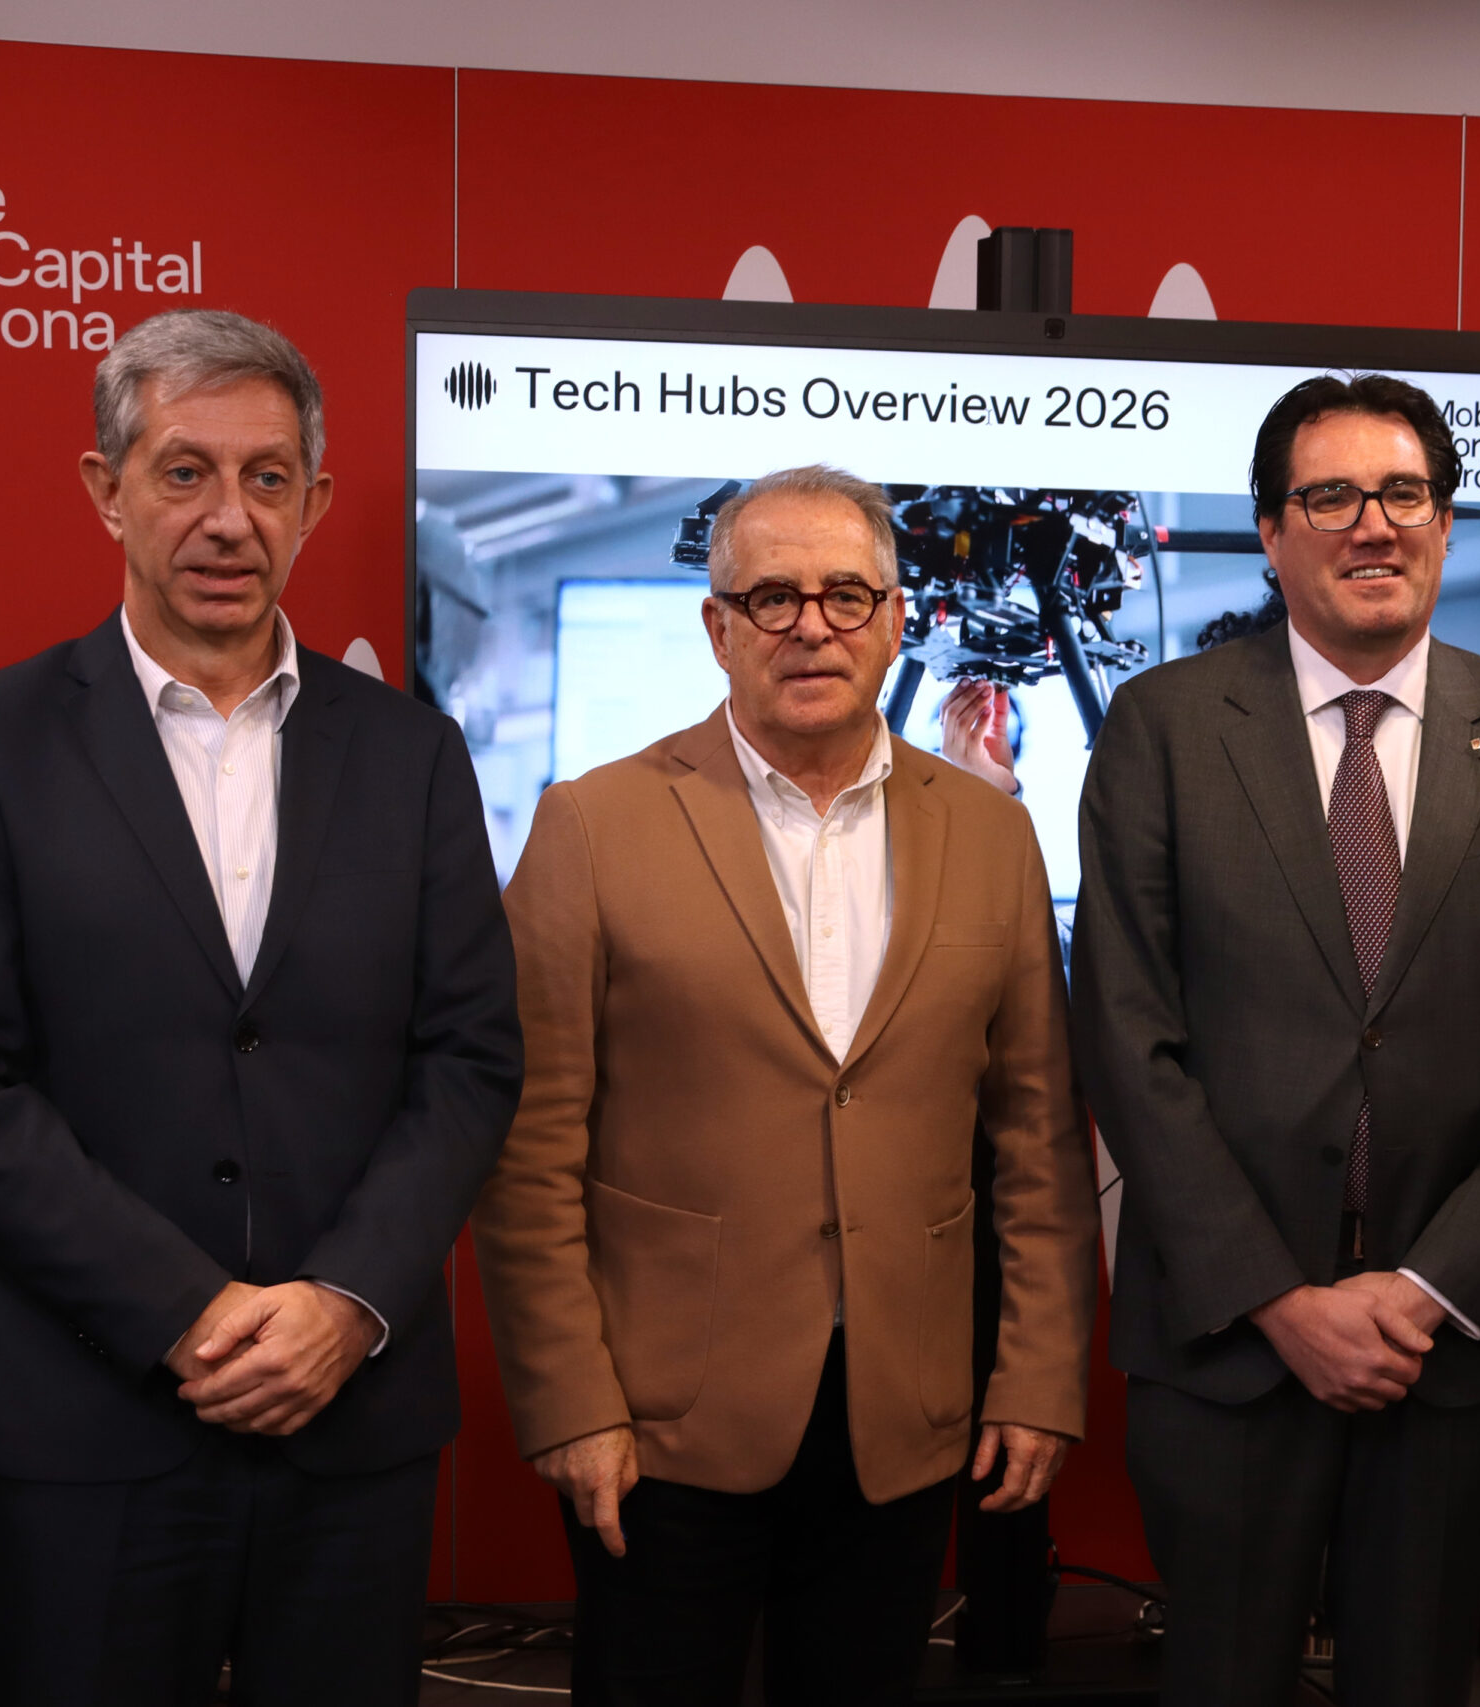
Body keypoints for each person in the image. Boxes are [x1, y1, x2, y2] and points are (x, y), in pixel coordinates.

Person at [0, 308, 523, 1705]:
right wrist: (184, 1312)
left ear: (315, 501)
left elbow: (470, 1059)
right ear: (105, 489)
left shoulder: (413, 754)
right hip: (87, 1422)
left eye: (267, 476)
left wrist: (346, 1303)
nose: (229, 516)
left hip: (349, 1422)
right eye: (184, 471)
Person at [472, 464, 1099, 1707]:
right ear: (718, 627)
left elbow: (1036, 1140)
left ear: (896, 618)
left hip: (904, 1418)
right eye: (772, 598)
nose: (812, 625)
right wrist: (569, 1404)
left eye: (845, 594)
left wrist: (1038, 1377)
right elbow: (529, 1152)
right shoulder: (592, 825)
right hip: (661, 1427)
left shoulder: (993, 836)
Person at [1070, 374, 1480, 1707]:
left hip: (1454, 1346)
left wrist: (1420, 1292)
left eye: (1403, 495)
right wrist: (1281, 1299)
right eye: (1330, 497)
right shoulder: (1163, 728)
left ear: (1445, 522)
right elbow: (1127, 1036)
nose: (1373, 525)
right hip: (1227, 1344)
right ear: (1271, 531)